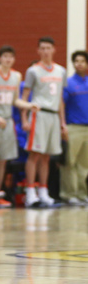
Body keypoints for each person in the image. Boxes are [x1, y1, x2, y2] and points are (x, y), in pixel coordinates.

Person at [0, 46, 39, 207]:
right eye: (5, 56)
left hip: (8, 121)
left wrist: (29, 105)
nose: (8, 59)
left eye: (11, 57)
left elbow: (16, 100)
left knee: (3, 159)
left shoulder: (16, 76)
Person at [21, 37, 67, 207]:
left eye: (49, 48)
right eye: (43, 48)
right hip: (38, 114)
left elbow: (60, 99)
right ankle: (30, 192)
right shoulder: (33, 71)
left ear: (54, 49)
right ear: (38, 51)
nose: (46, 51)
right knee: (35, 154)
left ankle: (43, 190)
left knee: (47, 156)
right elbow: (24, 97)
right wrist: (24, 118)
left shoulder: (61, 71)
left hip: (54, 116)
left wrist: (63, 122)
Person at [60, 50, 88, 205]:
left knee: (84, 165)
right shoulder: (69, 83)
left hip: (87, 129)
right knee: (70, 163)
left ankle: (82, 194)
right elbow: (61, 105)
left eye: (82, 61)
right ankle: (69, 194)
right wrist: (63, 125)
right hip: (73, 127)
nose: (79, 63)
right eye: (76, 61)